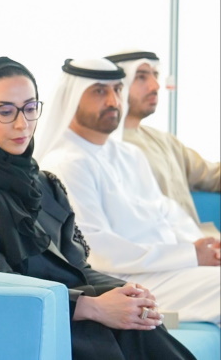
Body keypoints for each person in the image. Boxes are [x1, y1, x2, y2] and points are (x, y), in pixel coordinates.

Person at [0, 57, 194, 359]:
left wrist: (127, 292)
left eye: (30, 108)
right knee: (122, 334)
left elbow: (76, 268)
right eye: (5, 111)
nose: (22, 124)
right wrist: (93, 308)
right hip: (8, 329)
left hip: (61, 314)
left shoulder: (44, 184)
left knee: (138, 323)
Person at [36, 58, 220, 324]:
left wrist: (205, 250)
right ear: (72, 98)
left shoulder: (130, 154)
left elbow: (167, 212)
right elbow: (97, 250)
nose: (113, 101)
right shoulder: (65, 163)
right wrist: (190, 255)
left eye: (117, 90)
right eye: (99, 91)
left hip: (172, 269)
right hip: (124, 283)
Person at [105, 51, 219, 224]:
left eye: (156, 75)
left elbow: (212, 176)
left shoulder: (164, 140)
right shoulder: (103, 147)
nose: (155, 86)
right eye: (141, 77)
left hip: (196, 238)